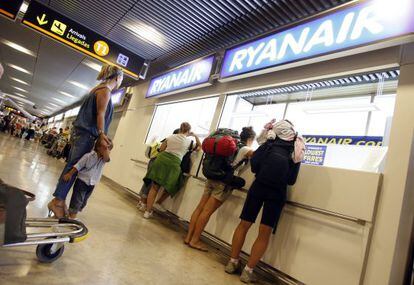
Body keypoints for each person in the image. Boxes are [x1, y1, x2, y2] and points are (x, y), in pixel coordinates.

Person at [225, 120, 301, 283]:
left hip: (258, 186)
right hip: (277, 192)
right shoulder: (295, 150)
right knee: (264, 232)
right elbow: (291, 180)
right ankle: (248, 271)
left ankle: (232, 262)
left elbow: (254, 166)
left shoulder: (268, 145)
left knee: (244, 224)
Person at [47, 64, 123, 218]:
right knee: (73, 167)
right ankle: (57, 201)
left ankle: (60, 200)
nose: (121, 81)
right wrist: (101, 134)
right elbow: (100, 114)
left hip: (81, 134)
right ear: (117, 77)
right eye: (121, 78)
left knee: (73, 166)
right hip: (87, 135)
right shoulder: (105, 91)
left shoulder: (96, 89)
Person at [185, 127, 256, 251]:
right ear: (250, 139)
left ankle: (188, 237)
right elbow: (258, 156)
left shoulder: (233, 144)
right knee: (207, 212)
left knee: (200, 208)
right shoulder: (245, 148)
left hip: (211, 176)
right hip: (223, 183)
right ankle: (195, 240)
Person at [143, 122, 201, 219]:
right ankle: (159, 202)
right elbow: (199, 147)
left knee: (154, 188)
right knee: (171, 185)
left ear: (180, 128)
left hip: (161, 161)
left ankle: (147, 212)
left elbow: (161, 149)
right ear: (188, 131)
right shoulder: (189, 142)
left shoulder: (170, 137)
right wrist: (194, 136)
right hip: (174, 164)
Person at [62, 137, 112, 219]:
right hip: (81, 182)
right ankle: (72, 216)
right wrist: (69, 174)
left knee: (83, 202)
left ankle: (71, 213)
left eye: (109, 149)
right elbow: (78, 166)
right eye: (106, 148)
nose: (108, 151)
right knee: (77, 201)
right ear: (98, 148)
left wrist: (106, 149)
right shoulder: (88, 156)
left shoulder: (103, 160)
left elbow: (107, 158)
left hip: (92, 184)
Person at [137, 128, 180, 212]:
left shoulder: (165, 140)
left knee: (148, 182)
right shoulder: (170, 142)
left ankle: (141, 202)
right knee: (151, 183)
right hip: (157, 162)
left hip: (153, 161)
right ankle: (142, 203)